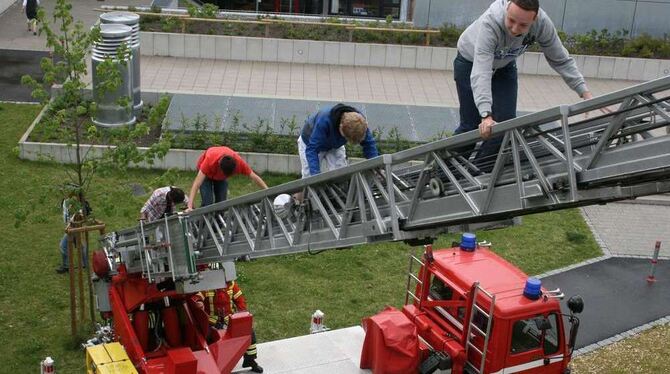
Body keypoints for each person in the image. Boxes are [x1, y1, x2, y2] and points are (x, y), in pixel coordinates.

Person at [454, 0, 592, 170]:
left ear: (534, 19)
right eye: (511, 20)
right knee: (472, 125)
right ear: (507, 9)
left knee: (505, 125)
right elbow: (481, 70)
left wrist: (584, 92)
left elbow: (560, 58)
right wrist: (485, 114)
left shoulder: (542, 24)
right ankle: (441, 176)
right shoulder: (492, 21)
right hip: (470, 62)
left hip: (504, 66)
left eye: (523, 25)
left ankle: (479, 174)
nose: (514, 29)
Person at [194, 279, 263, 373]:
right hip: (211, 321)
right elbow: (196, 297)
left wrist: (242, 315)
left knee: (249, 332)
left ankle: (250, 360)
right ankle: (214, 366)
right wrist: (198, 302)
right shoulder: (206, 287)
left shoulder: (231, 285)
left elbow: (240, 300)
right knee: (206, 340)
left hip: (229, 319)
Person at [298, 103, 379, 178]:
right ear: (341, 127)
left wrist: (376, 167)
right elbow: (312, 150)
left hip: (334, 145)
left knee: (340, 174)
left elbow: (369, 144)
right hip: (309, 143)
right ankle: (302, 193)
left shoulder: (359, 122)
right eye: (346, 138)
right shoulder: (324, 121)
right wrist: (315, 177)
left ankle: (339, 192)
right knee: (309, 176)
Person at [186, 146, 268, 211]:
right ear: (219, 165)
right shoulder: (209, 160)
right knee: (208, 203)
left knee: (221, 204)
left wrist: (268, 192)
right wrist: (189, 206)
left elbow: (255, 177)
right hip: (206, 175)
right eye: (223, 173)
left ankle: (217, 228)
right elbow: (197, 184)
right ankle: (201, 228)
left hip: (219, 177)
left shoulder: (239, 163)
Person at [56, 193, 92, 274]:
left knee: (63, 245)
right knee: (81, 246)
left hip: (75, 228)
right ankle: (85, 264)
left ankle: (67, 266)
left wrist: (69, 226)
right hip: (72, 228)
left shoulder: (79, 205)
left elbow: (77, 218)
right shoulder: (67, 202)